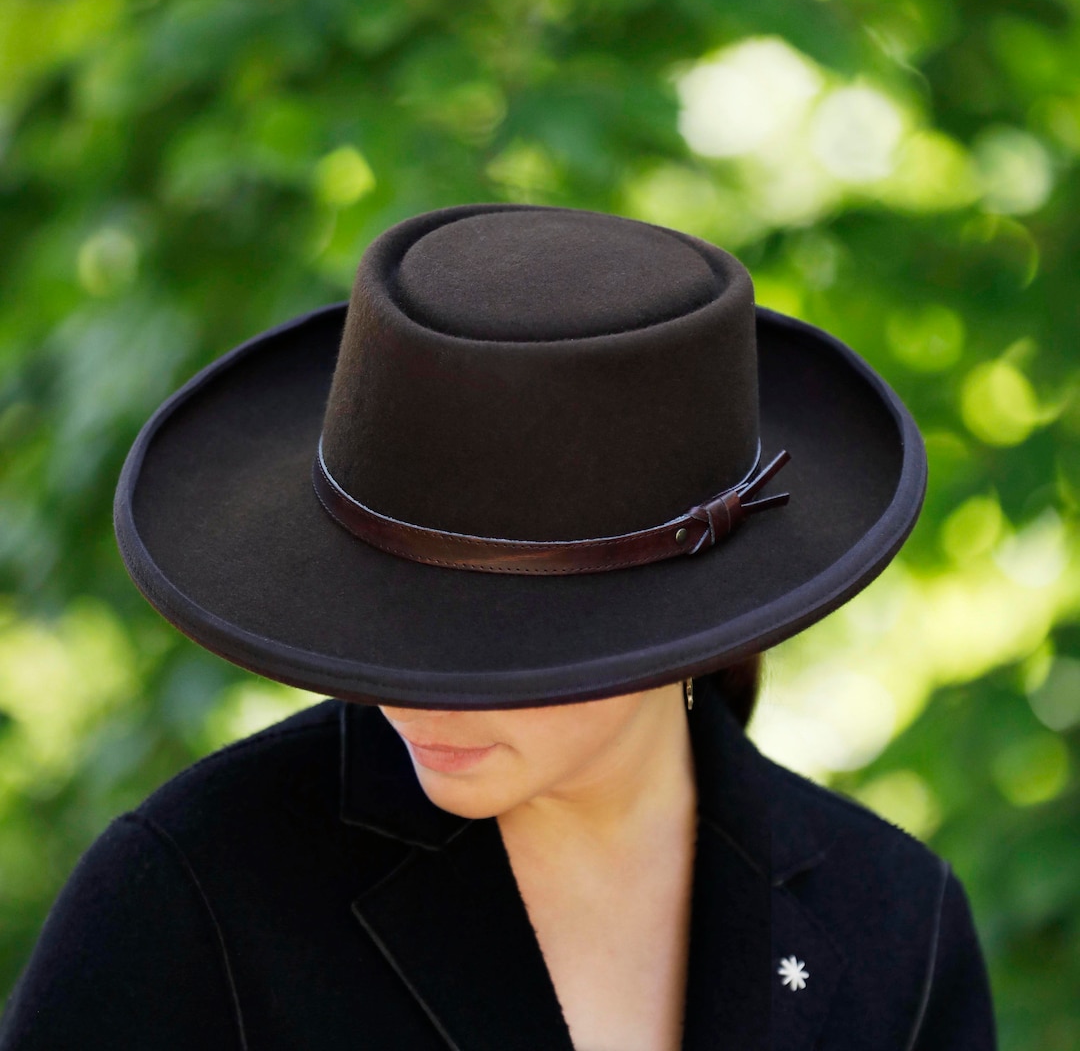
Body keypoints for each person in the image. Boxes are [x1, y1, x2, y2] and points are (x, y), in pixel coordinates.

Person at [0, 205, 996, 1050]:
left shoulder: (897, 932)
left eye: (493, 640)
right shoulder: (189, 896)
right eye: (385, 616)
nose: (409, 690)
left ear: (684, 614)